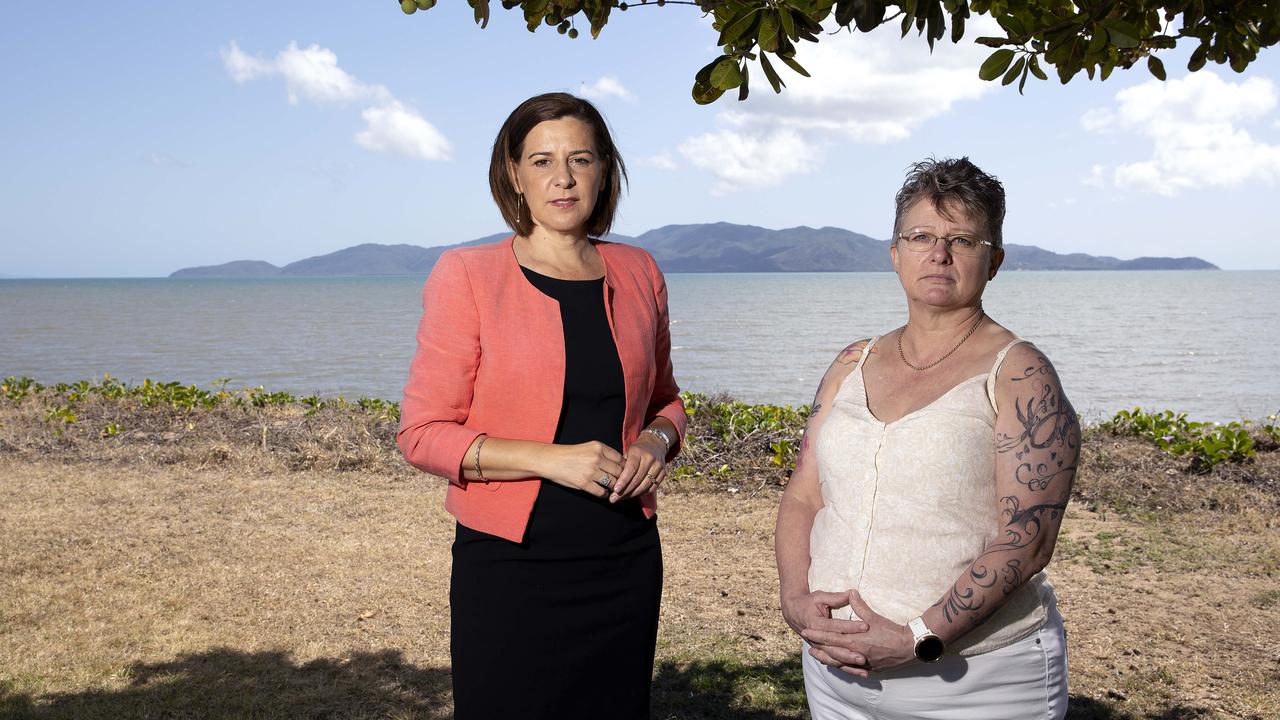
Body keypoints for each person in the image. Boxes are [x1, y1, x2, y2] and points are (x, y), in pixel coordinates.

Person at [396, 92, 684, 719]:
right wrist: (553, 461)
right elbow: (421, 434)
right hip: (511, 564)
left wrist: (655, 443)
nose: (563, 177)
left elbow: (666, 401)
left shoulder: (639, 271)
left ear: (605, 169)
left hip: (625, 558)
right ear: (513, 174)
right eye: (543, 160)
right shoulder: (466, 274)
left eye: (580, 158)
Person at [774, 157, 1079, 719]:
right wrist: (795, 600)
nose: (939, 253)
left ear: (995, 261)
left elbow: (1027, 540)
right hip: (836, 680)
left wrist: (918, 636)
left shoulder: (1019, 373)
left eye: (962, 239)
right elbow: (804, 496)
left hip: (977, 686)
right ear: (895, 254)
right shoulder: (851, 362)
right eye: (921, 236)